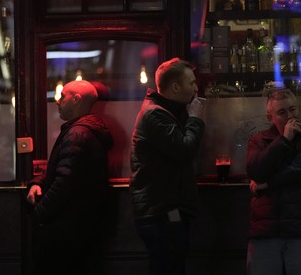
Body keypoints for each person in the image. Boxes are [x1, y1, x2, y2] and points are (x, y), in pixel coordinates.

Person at [26, 80, 114, 275]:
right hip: (80, 228)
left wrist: (39, 212)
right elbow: (64, 169)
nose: (57, 101)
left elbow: (64, 183)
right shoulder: (84, 130)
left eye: (62, 96)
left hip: (66, 230)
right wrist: (38, 182)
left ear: (76, 99)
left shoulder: (77, 134)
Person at [245, 88, 301, 275]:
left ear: (300, 109)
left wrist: (268, 183)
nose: (290, 116)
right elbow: (257, 171)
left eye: (293, 109)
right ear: (270, 117)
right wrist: (284, 139)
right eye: (282, 112)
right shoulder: (258, 140)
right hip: (266, 230)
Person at [130, 57, 205, 275]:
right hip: (161, 211)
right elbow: (185, 150)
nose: (196, 87)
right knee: (168, 264)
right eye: (191, 83)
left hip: (165, 209)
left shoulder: (165, 111)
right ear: (175, 87)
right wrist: (196, 118)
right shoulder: (155, 115)